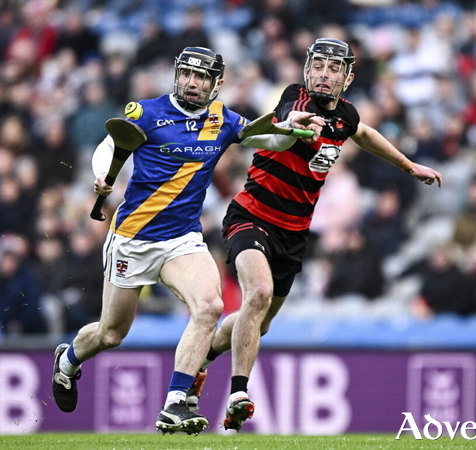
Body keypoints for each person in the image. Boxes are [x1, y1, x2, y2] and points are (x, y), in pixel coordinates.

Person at [50, 46, 323, 435]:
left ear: (217, 84)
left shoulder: (223, 119)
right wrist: (101, 176)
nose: (192, 83)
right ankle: (68, 359)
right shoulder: (145, 112)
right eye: (187, 75)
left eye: (202, 78)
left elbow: (267, 141)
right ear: (177, 75)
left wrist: (287, 126)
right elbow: (109, 147)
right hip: (133, 239)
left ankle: (176, 400)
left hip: (182, 239)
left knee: (210, 306)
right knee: (111, 334)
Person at [186, 38, 443, 432]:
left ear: (348, 77)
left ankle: (201, 359)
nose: (323, 74)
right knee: (257, 294)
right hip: (251, 216)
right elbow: (289, 114)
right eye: (318, 66)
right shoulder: (295, 97)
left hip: (294, 234)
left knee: (258, 321)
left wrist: (409, 166)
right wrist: (297, 125)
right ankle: (239, 392)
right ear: (308, 70)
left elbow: (364, 133)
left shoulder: (346, 117)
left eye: (333, 68)